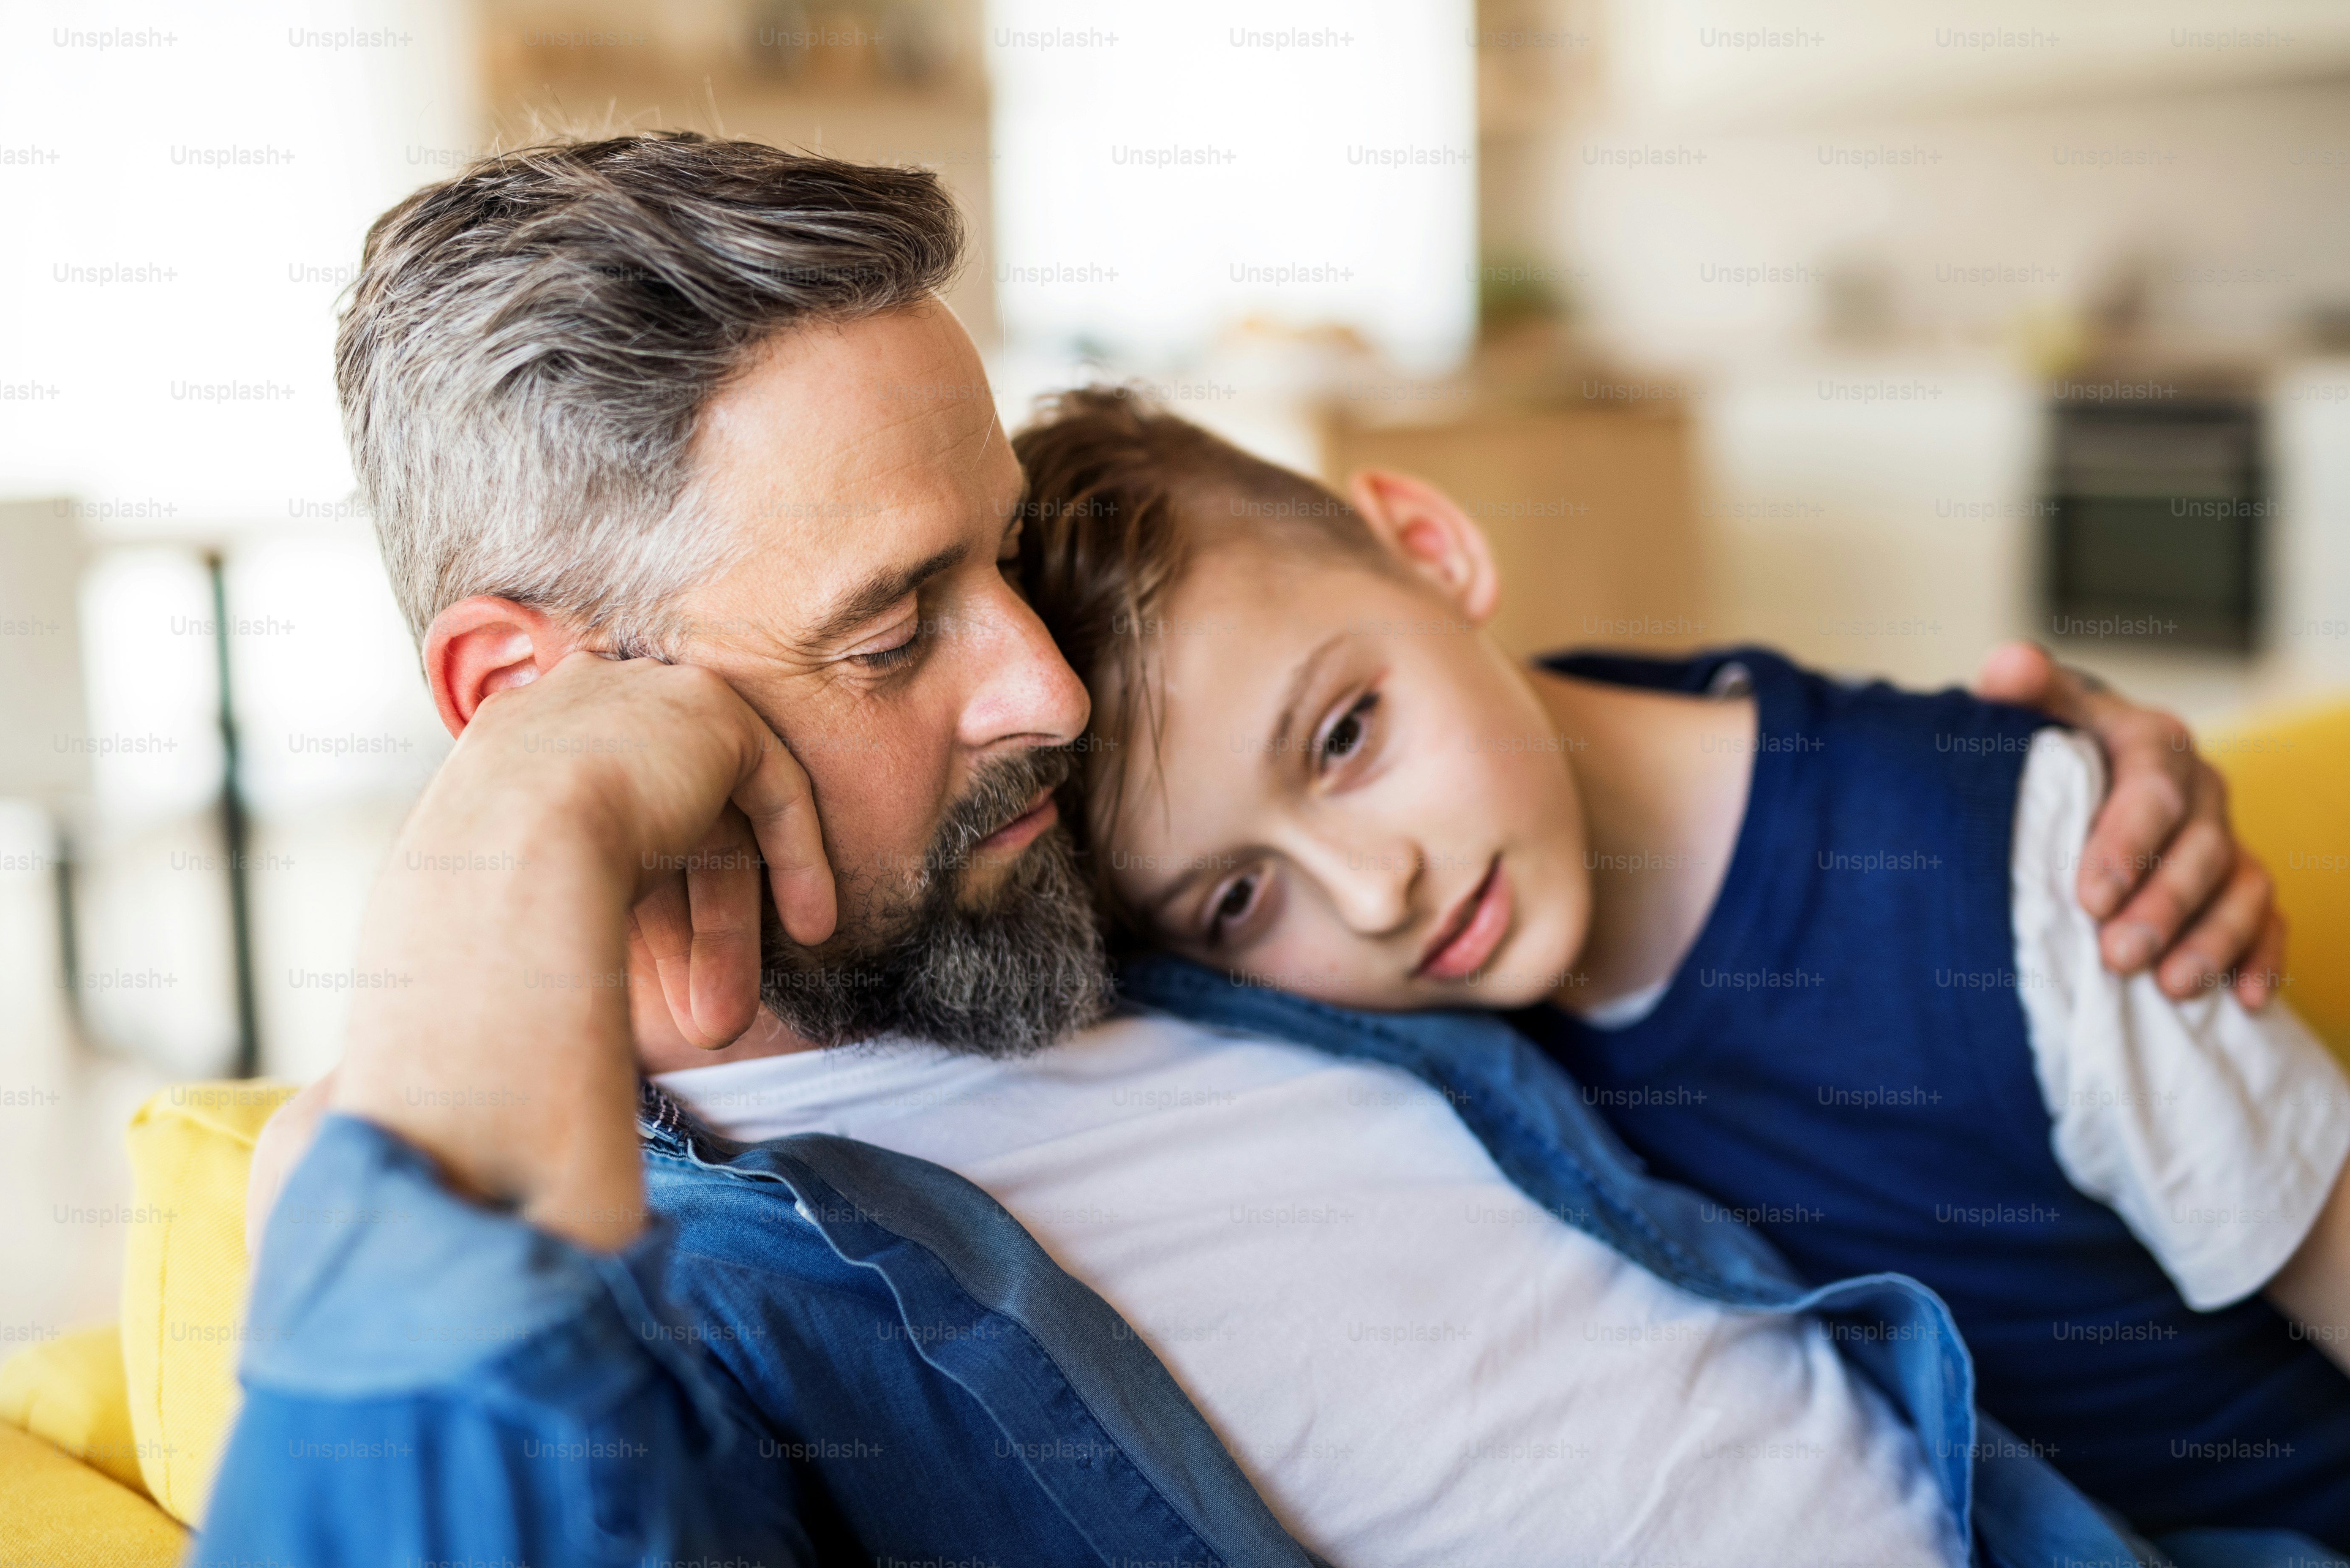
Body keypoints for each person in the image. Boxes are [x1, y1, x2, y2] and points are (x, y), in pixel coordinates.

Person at [212, 133, 2316, 1567]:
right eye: (892, 625)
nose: (1044, 685)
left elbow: (1468, 739)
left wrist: (2001, 789)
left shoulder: (1114, 901)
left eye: (1004, 564)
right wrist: (513, 855)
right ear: (529, 693)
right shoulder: (694, 1303)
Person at [1005, 385, 2350, 1542]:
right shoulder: (1357, 1023)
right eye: (1241, 895)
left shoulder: (2028, 859)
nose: (1373, 890)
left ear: (1432, 548)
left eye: (1347, 736)